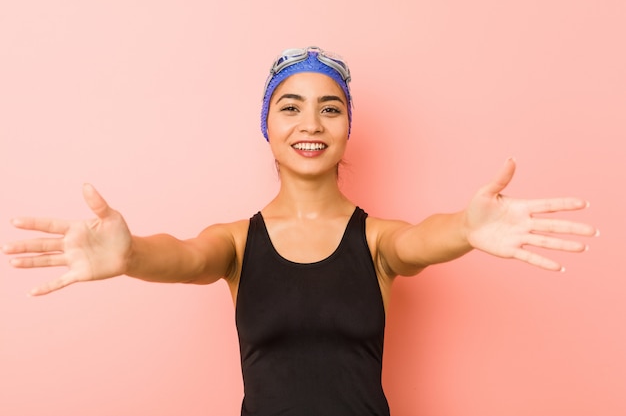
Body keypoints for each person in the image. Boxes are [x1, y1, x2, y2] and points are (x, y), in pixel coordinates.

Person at [2, 46, 597, 416]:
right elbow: (183, 256)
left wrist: (467, 228)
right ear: (268, 125)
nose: (310, 122)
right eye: (290, 106)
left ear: (345, 128)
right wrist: (129, 254)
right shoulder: (236, 241)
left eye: (330, 108)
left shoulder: (376, 240)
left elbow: (420, 240)